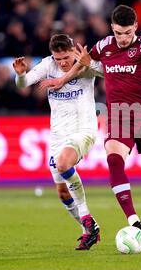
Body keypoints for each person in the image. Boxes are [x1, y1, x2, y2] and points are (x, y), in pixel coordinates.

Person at [40, 5, 141, 243]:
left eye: (127, 32)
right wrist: (62, 79)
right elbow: (84, 63)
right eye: (118, 33)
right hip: (118, 116)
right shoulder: (104, 46)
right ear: (112, 29)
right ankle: (135, 222)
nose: (123, 38)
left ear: (135, 27)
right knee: (114, 161)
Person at [12, 34, 103, 250]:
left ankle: (86, 217)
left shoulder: (84, 62)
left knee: (63, 164)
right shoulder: (48, 65)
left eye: (65, 57)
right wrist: (21, 75)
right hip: (58, 136)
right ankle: (89, 230)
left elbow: (106, 73)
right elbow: (23, 85)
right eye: (58, 58)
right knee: (63, 193)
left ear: (73, 50)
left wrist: (90, 63)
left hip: (84, 129)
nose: (62, 63)